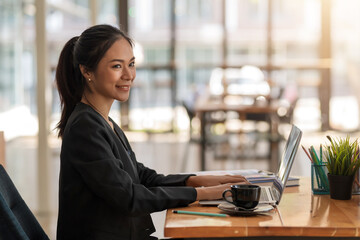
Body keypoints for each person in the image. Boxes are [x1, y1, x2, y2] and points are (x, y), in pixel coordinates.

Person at [55, 24, 248, 240]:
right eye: (117, 66)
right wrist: (201, 195)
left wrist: (194, 181)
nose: (129, 75)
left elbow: (141, 177)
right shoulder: (85, 128)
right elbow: (129, 197)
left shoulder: (103, 121)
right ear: (87, 71)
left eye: (131, 64)